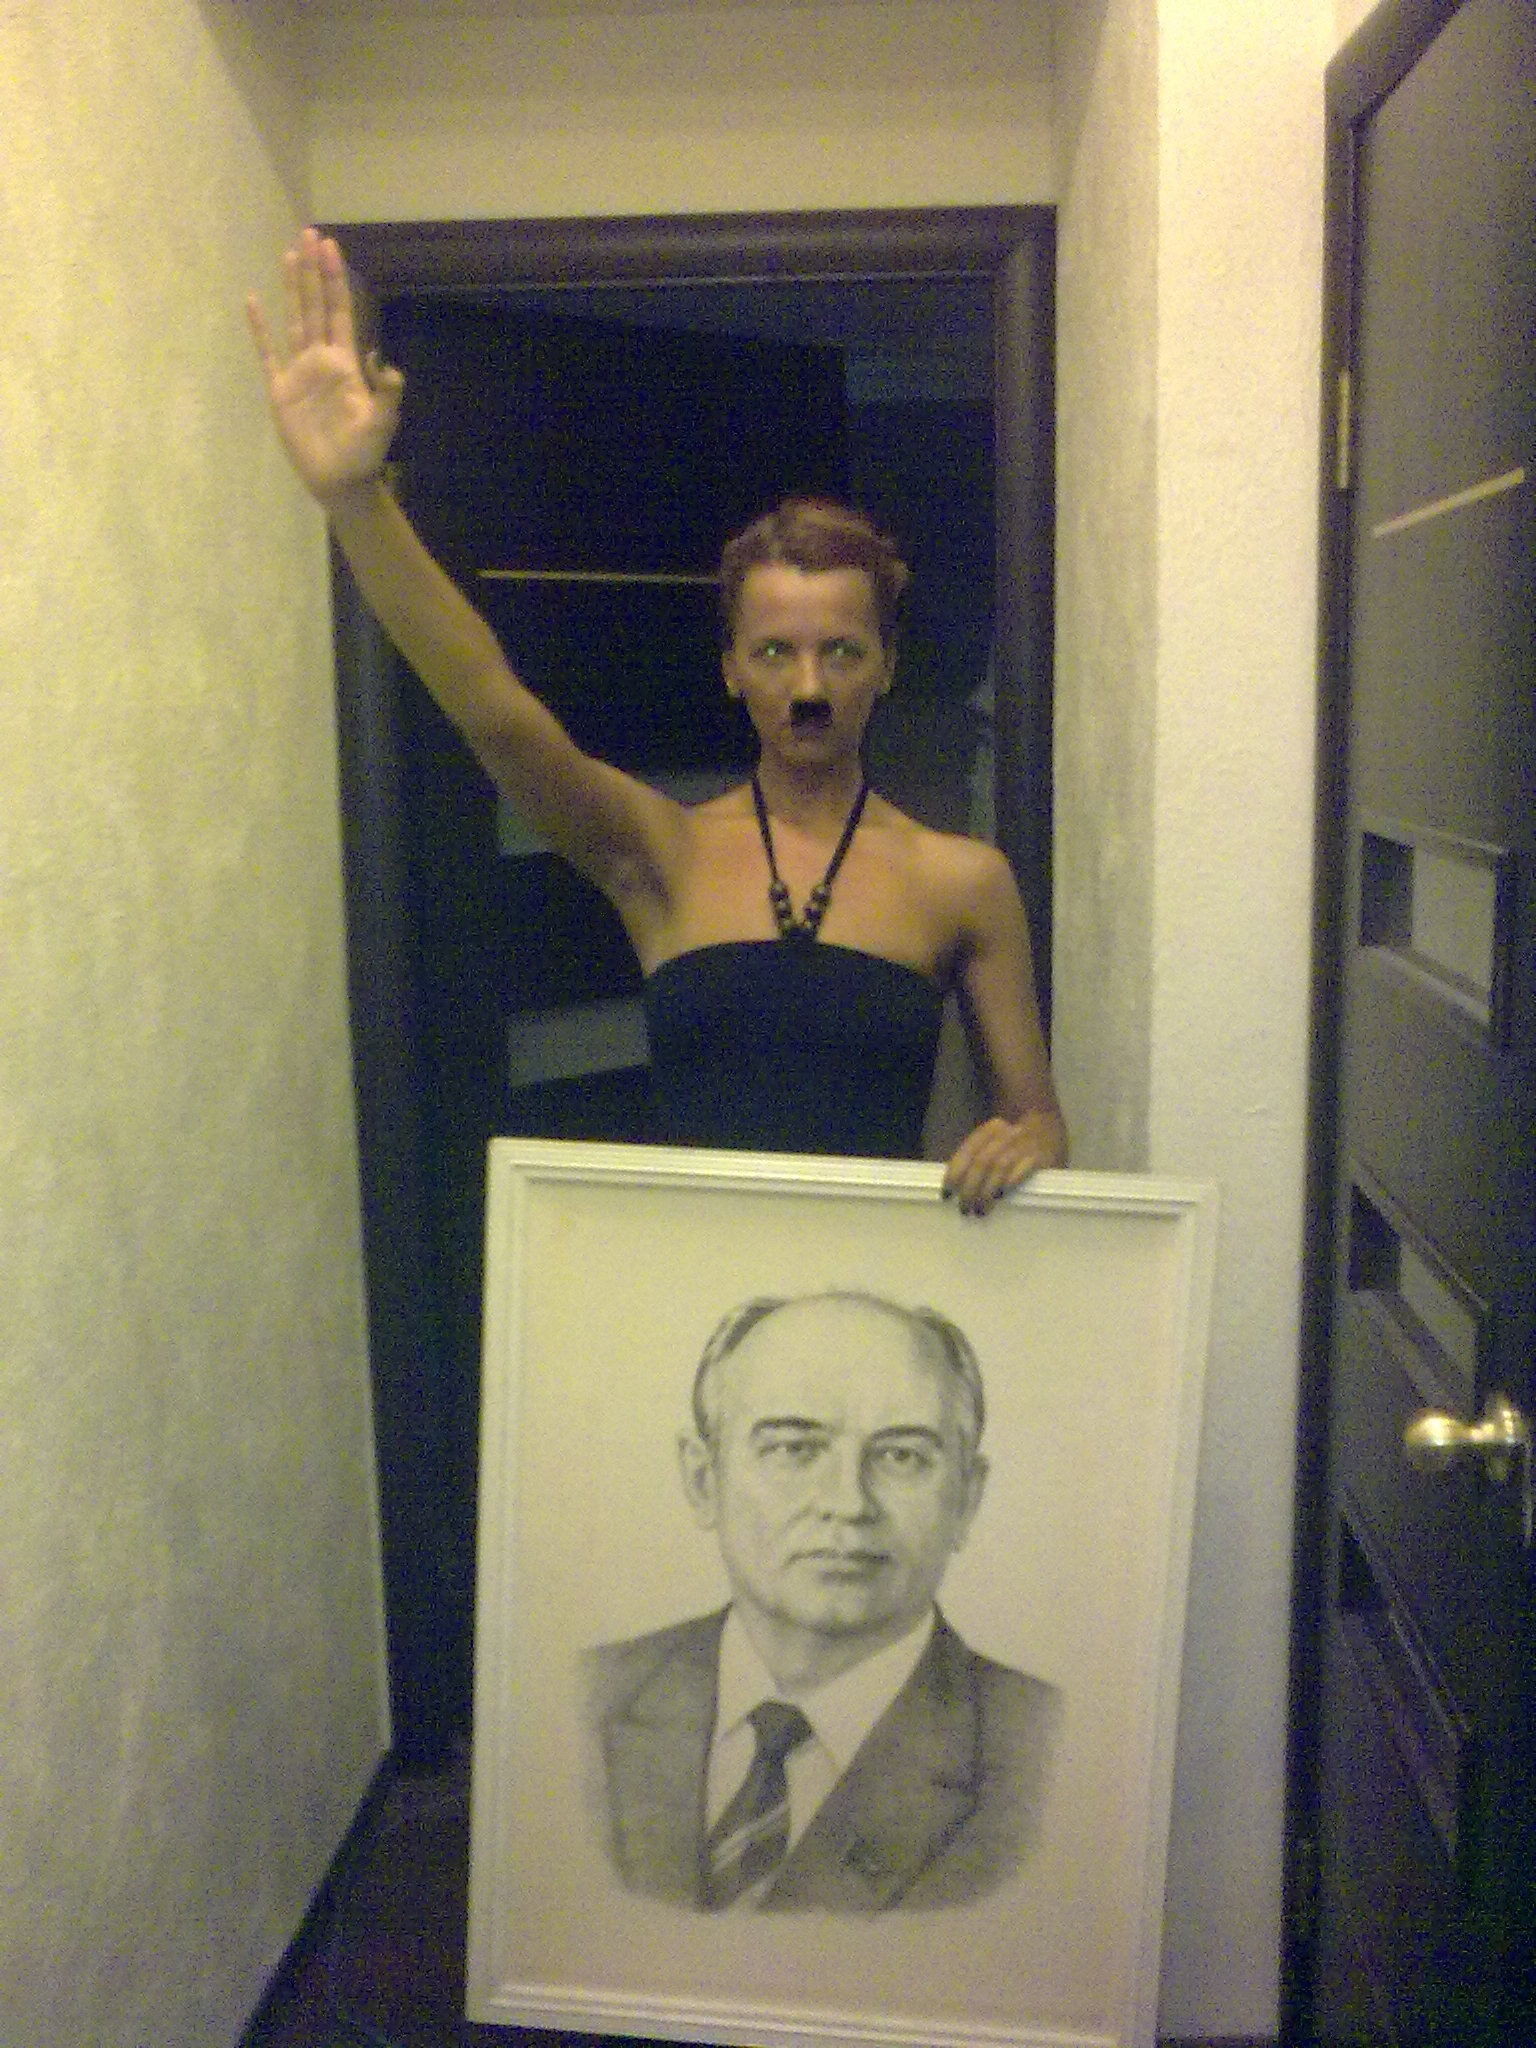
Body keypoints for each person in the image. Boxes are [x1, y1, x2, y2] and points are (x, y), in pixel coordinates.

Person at [247, 230, 1068, 1211]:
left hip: (876, 1281)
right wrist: (356, 502)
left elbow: (1040, 1122)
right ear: (731, 669)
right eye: (775, 652)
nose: (809, 685)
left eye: (842, 651)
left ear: (886, 666)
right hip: (682, 1280)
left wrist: (1027, 1142)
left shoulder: (963, 880)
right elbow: (499, 716)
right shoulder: (661, 852)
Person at [584, 1291, 1060, 1911]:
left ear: (967, 1499)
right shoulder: (583, 1699)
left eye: (901, 1456)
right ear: (703, 1480)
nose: (848, 1503)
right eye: (793, 1448)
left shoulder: (1053, 1758)